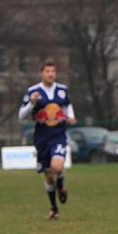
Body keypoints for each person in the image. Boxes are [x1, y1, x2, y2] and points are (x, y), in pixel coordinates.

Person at [18, 59, 77, 220]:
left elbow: (67, 106)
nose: (51, 74)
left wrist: (70, 117)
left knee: (57, 168)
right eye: (47, 71)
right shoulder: (33, 91)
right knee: (49, 176)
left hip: (58, 136)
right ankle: (54, 208)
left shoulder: (62, 90)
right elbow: (21, 116)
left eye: (53, 71)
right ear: (41, 73)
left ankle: (61, 184)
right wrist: (32, 103)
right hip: (42, 138)